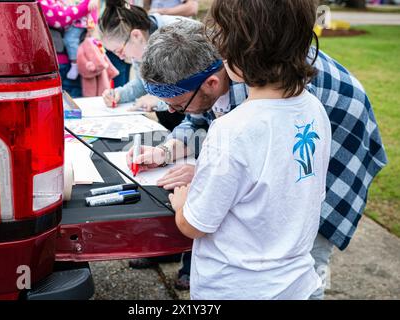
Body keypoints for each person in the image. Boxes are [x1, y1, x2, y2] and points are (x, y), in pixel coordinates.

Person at [132, 6, 388, 297]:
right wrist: (166, 151)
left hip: (344, 137)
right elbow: (200, 118)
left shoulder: (250, 87)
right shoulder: (244, 66)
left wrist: (208, 173)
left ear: (214, 81)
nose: (173, 111)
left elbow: (258, 158)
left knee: (310, 238)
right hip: (310, 128)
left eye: (177, 105)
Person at [165, 0, 332, 299]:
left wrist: (183, 202)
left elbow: (195, 225)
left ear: (237, 52)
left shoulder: (231, 130)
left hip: (236, 289)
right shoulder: (314, 109)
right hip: (298, 286)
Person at [99, 0, 190, 131]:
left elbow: (194, 89)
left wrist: (160, 101)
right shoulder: (140, 43)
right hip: (174, 123)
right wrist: (120, 94)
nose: (121, 57)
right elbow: (142, 83)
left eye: (119, 51)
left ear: (136, 35)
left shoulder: (176, 36)